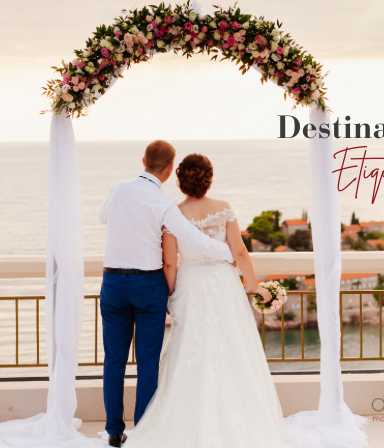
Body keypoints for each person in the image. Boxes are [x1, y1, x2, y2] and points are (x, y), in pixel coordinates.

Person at [123, 153, 296, 448]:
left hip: (190, 287)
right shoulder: (223, 208)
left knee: (191, 346)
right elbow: (239, 252)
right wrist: (254, 287)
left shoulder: (172, 213)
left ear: (180, 180)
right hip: (223, 285)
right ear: (208, 179)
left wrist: (171, 294)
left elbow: (170, 263)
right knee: (234, 348)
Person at [97, 141, 239, 447]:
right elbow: (191, 239)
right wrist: (229, 252)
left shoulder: (118, 188)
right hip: (148, 286)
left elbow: (102, 217)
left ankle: (114, 431)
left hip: (113, 284)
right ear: (169, 169)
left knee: (114, 360)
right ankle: (144, 429)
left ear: (144, 160)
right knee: (148, 361)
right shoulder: (163, 204)